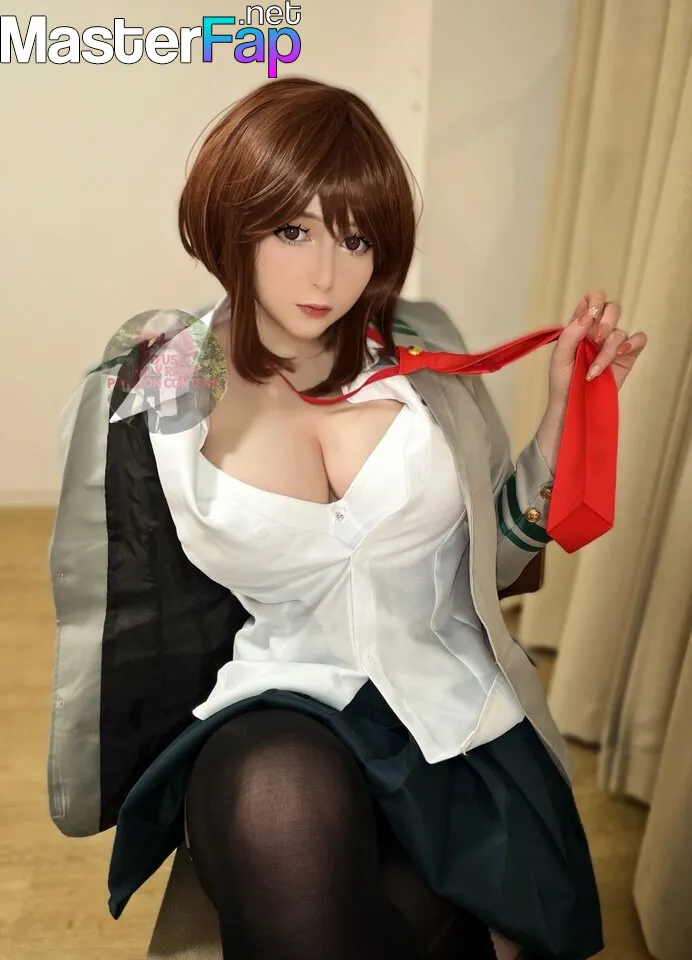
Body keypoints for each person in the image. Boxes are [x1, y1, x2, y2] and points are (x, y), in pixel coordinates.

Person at [48, 77, 647, 960]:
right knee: (279, 812)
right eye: (293, 230)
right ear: (233, 218)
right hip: (276, 708)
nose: (326, 276)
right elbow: (121, 576)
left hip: (455, 726)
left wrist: (562, 418)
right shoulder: (170, 376)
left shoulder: (421, 360)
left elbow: (495, 561)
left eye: (356, 238)